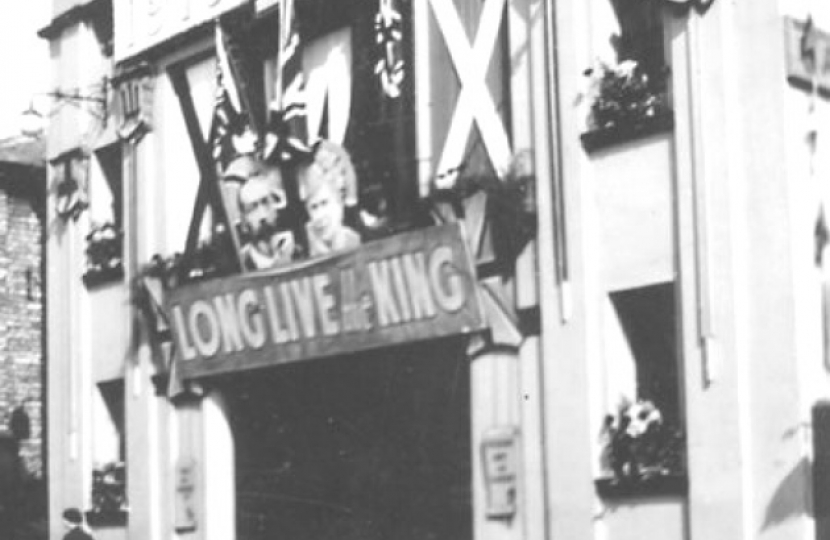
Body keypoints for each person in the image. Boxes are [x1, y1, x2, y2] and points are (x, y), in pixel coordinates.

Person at [226, 155, 297, 270]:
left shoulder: (298, 249)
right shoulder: (240, 265)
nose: (263, 215)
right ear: (244, 221)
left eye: (266, 202)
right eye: (252, 208)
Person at [298, 141, 361, 257]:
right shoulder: (303, 249)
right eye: (313, 207)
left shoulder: (355, 241)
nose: (319, 215)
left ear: (340, 202)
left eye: (324, 203)